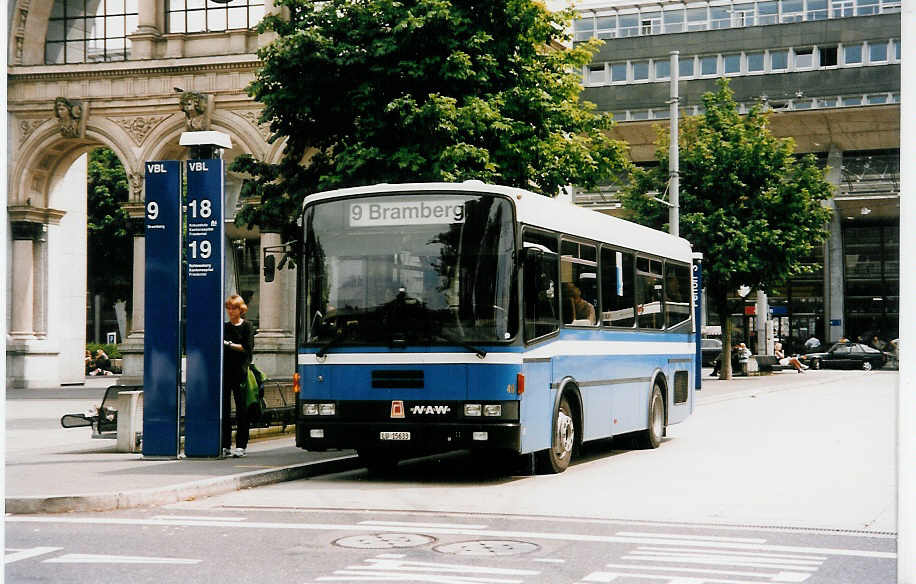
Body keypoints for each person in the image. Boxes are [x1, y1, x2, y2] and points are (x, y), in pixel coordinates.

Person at [222, 294, 255, 458]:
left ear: (240, 309)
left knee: (242, 410)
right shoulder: (224, 327)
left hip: (240, 372)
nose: (230, 311)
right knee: (224, 410)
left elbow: (247, 348)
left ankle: (241, 445)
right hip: (225, 372)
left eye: (233, 307)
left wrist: (228, 344)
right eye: (228, 307)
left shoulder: (247, 326)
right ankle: (225, 444)